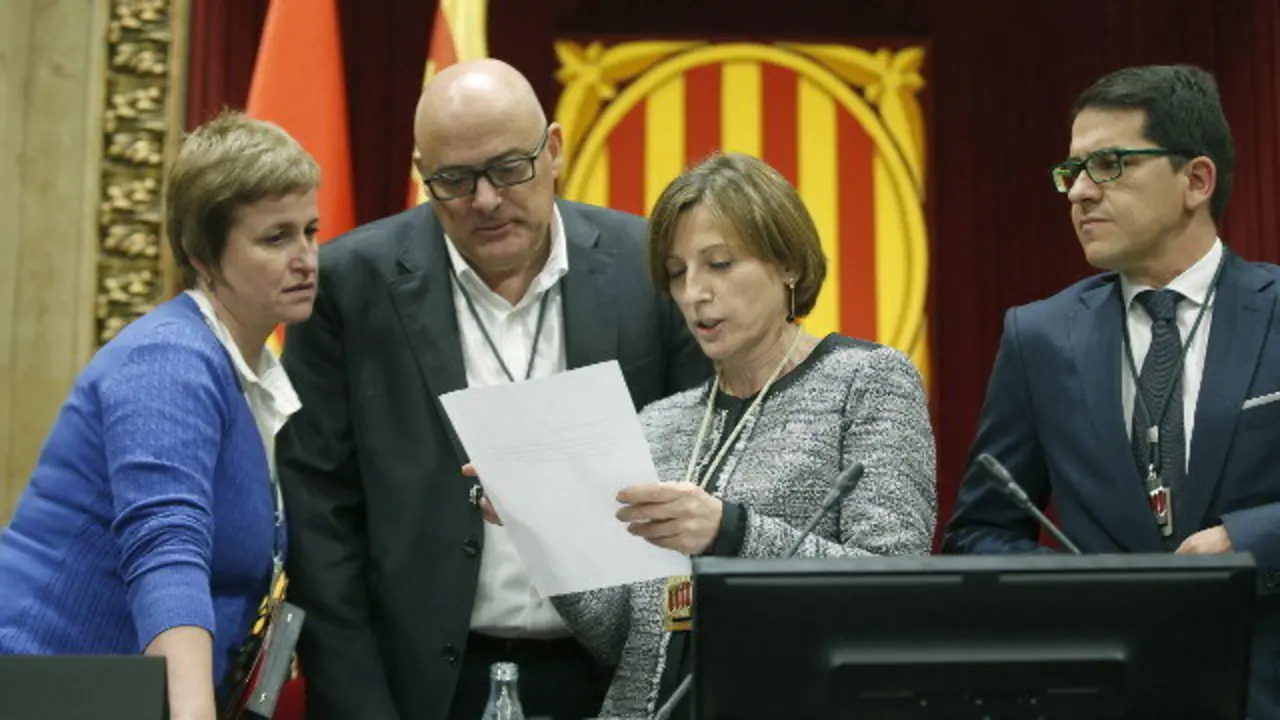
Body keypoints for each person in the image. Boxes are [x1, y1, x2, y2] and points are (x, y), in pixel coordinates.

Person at [275, 58, 710, 720]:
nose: (484, 199)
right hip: (419, 686)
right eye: (453, 180)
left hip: (615, 680)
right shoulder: (347, 286)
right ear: (422, 173)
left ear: (555, 150)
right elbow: (319, 517)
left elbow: (704, 471)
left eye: (510, 168)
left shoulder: (647, 267)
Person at [529, 152, 937, 718]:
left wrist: (731, 531)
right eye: (678, 273)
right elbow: (624, 640)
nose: (695, 292)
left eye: (719, 264)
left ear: (788, 263)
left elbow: (897, 594)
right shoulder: (661, 421)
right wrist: (544, 529)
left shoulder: (868, 382)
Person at [942, 64, 1280, 718]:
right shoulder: (1038, 338)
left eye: (1111, 164)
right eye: (1073, 172)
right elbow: (980, 531)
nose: (1078, 193)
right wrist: (1083, 588)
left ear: (1196, 180)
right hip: (1102, 695)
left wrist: (1247, 541)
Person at [0, 110, 321, 720]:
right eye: (275, 237)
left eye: (309, 230)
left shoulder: (238, 371)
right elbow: (167, 550)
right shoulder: (169, 358)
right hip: (43, 690)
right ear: (204, 253)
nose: (306, 257)